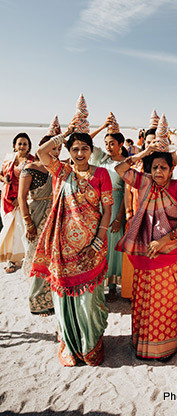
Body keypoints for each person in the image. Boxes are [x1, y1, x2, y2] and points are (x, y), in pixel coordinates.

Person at [115, 115, 177, 361]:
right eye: (155, 167)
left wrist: (164, 240)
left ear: (171, 169)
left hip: (171, 252)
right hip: (145, 253)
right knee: (145, 300)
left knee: (168, 302)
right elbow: (120, 169)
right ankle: (145, 345)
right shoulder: (144, 183)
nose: (159, 171)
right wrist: (143, 154)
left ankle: (168, 345)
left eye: (164, 167)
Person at [32, 126, 113, 366]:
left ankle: (90, 345)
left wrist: (97, 241)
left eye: (84, 149)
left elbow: (107, 210)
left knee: (88, 300)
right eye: (75, 149)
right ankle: (69, 344)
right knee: (65, 299)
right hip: (62, 248)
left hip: (92, 247)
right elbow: (41, 152)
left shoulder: (101, 174)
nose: (80, 153)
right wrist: (65, 133)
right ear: (68, 151)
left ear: (91, 151)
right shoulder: (62, 172)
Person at [19, 135, 62, 315]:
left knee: (52, 257)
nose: (57, 152)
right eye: (53, 148)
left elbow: (83, 147)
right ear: (43, 148)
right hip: (37, 215)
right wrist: (29, 223)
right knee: (37, 256)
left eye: (59, 149)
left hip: (55, 215)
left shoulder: (57, 167)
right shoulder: (30, 168)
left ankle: (52, 297)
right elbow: (21, 197)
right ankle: (37, 302)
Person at [90, 114, 127, 301]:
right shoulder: (102, 159)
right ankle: (98, 283)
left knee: (113, 245)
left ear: (120, 144)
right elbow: (85, 141)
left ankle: (112, 285)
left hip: (117, 204)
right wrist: (103, 125)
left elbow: (127, 192)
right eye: (106, 143)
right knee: (99, 243)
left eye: (112, 143)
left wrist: (119, 217)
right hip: (99, 205)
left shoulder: (126, 163)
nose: (108, 147)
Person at [0, 133, 34, 272]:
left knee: (21, 230)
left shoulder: (32, 161)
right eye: (19, 143)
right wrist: (5, 180)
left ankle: (24, 257)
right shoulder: (9, 159)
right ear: (14, 145)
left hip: (23, 201)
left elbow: (34, 183)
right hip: (7, 200)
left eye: (25, 144)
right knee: (9, 231)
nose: (22, 146)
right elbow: (1, 175)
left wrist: (21, 199)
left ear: (29, 147)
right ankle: (11, 260)